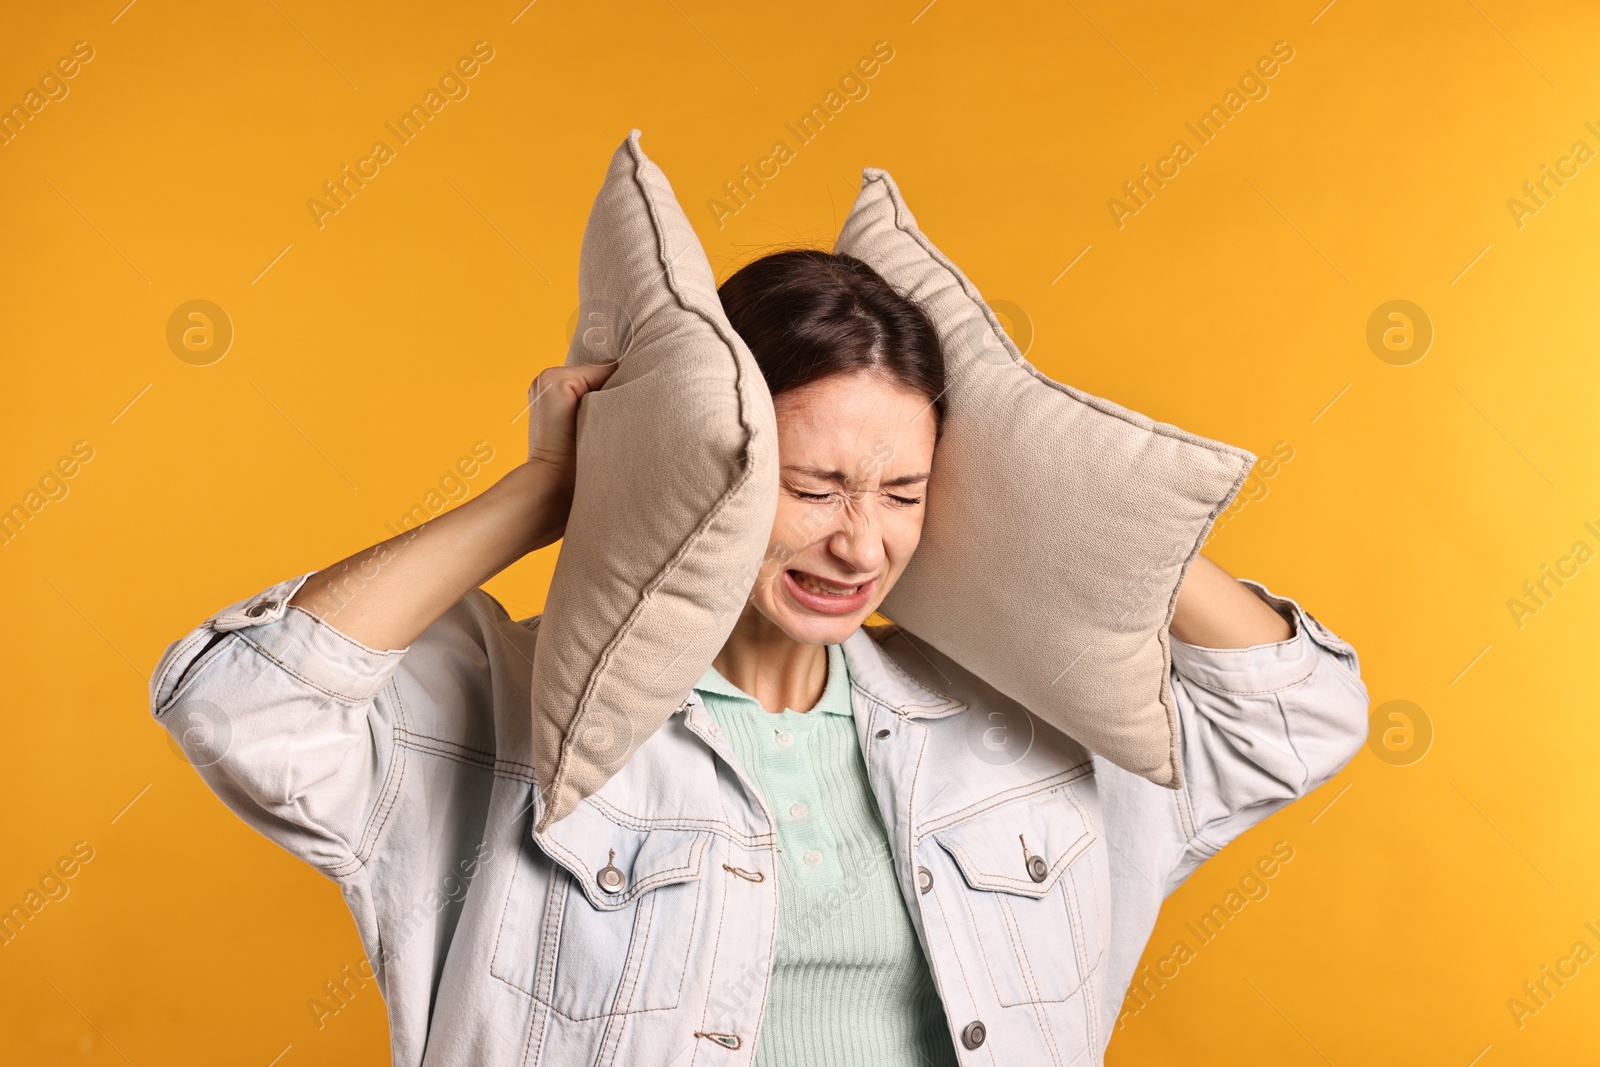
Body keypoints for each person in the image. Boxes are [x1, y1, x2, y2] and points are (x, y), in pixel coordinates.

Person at [150, 250, 1369, 1066]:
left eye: (904, 490)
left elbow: (1298, 712)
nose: (858, 540)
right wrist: (556, 485)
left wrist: (1079, 512)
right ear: (708, 468)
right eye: (811, 484)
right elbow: (241, 701)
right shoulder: (511, 710)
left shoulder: (1015, 727)